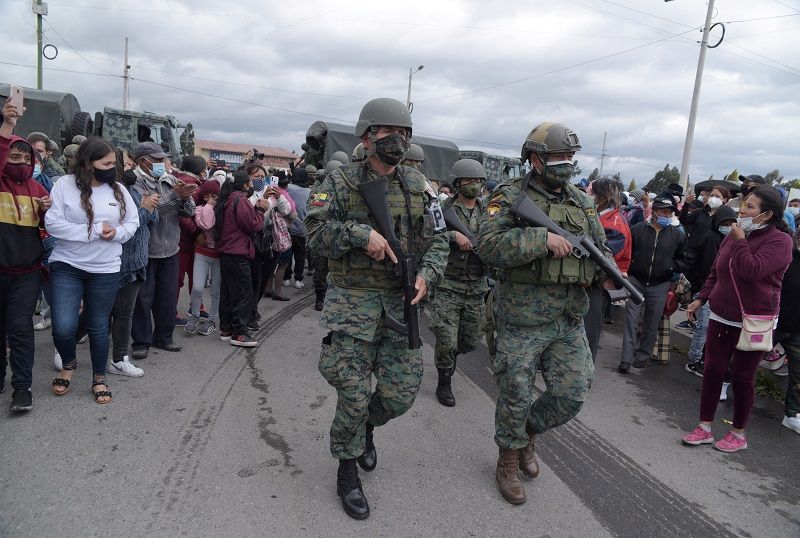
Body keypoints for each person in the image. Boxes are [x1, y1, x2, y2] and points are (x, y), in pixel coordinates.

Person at [305, 98, 448, 520]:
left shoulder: (419, 185)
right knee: (352, 391)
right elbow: (312, 234)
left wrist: (428, 275)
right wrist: (357, 234)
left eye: (404, 133)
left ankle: (366, 427)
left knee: (399, 394)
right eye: (388, 132)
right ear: (367, 136)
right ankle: (346, 470)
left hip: (401, 302)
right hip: (353, 302)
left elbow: (439, 240)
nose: (397, 140)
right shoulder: (339, 182)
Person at [477, 122, 617, 505]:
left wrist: (603, 271)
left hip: (566, 318)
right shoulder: (508, 196)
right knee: (515, 393)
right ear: (535, 160)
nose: (566, 164)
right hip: (520, 319)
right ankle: (508, 459)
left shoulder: (581, 200)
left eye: (571, 157)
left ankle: (527, 435)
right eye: (558, 157)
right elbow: (486, 245)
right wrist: (539, 239)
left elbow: (601, 247)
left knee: (573, 393)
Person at [682, 185, 793, 452]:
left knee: (743, 377)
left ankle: (738, 434)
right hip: (721, 314)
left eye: (750, 207)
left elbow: (751, 270)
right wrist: (702, 297)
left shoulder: (780, 241)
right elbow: (717, 270)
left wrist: (741, 240)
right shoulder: (733, 235)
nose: (742, 210)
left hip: (754, 319)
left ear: (766, 214)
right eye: (743, 204)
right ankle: (704, 426)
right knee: (712, 370)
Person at [46, 137, 139, 404]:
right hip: (67, 265)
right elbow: (53, 222)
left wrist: (117, 232)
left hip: (105, 269)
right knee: (63, 327)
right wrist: (95, 231)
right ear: (89, 163)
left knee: (99, 326)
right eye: (106, 163)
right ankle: (69, 363)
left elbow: (131, 224)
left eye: (114, 163)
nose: (112, 168)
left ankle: (99, 378)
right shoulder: (64, 185)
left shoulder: (118, 190)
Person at [0, 99, 51, 412]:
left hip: (26, 274)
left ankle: (22, 388)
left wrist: (46, 214)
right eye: (13, 156)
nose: (18, 161)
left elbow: (47, 232)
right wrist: (8, 125)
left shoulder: (38, 190)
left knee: (19, 330)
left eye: (24, 157)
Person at [429, 159, 489, 407]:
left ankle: (450, 358)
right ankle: (444, 381)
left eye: (478, 181)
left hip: (477, 287)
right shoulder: (441, 209)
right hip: (448, 285)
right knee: (446, 339)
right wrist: (453, 235)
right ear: (457, 183)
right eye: (469, 181)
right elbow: (427, 234)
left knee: (470, 340)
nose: (474, 185)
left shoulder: (489, 211)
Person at [130, 142, 196, 359]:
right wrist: (176, 196)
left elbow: (189, 212)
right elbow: (148, 212)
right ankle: (141, 342)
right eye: (157, 160)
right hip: (145, 251)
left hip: (170, 250)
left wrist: (185, 198)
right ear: (143, 161)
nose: (162, 163)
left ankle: (164, 337)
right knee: (142, 299)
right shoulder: (134, 183)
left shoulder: (170, 180)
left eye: (162, 159)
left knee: (167, 297)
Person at [618, 192, 689, 371]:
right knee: (631, 320)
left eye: (669, 213)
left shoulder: (677, 234)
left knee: (651, 322)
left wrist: (671, 268)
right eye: (663, 212)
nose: (666, 215)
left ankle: (643, 355)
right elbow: (627, 252)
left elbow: (685, 258)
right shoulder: (638, 230)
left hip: (660, 284)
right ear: (655, 211)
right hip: (636, 280)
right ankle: (626, 358)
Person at [216, 169, 269, 347]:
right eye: (253, 181)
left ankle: (226, 328)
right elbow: (252, 224)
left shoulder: (227, 199)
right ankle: (239, 333)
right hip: (238, 253)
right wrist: (261, 210)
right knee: (243, 294)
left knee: (228, 292)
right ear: (246, 184)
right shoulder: (240, 200)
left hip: (226, 253)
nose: (255, 184)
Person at [683, 205, 737, 377]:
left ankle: (702, 360)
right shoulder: (711, 238)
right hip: (706, 289)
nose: (728, 226)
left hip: (717, 291)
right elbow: (708, 268)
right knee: (703, 327)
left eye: (731, 223)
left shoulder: (730, 240)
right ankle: (694, 361)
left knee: (709, 329)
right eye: (725, 223)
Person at [583, 176, 632, 360]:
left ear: (602, 198)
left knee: (589, 331)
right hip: (589, 281)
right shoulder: (601, 217)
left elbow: (604, 256)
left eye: (591, 192)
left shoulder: (615, 224)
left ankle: (584, 369)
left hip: (598, 284)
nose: (587, 194)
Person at [174, 155, 208, 324]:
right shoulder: (192, 186)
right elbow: (185, 216)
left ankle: (197, 307)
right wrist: (197, 233)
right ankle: (172, 312)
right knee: (181, 278)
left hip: (183, 239)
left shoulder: (179, 180)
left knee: (190, 276)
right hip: (186, 240)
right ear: (201, 171)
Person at [184, 180, 221, 336]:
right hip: (202, 252)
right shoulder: (199, 209)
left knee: (215, 290)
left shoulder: (223, 210)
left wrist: (212, 206)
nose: (210, 199)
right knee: (197, 287)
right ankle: (194, 316)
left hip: (219, 255)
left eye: (214, 196)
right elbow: (206, 224)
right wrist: (209, 206)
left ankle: (212, 320)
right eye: (207, 196)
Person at [777, 229, 800, 434]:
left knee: (798, 373)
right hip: (773, 321)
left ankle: (792, 414)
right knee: (745, 356)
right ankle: (723, 384)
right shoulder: (787, 256)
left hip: (797, 330)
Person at [283, 165, 311, 289]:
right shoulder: (310, 192)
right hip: (302, 230)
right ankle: (298, 279)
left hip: (287, 229)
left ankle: (286, 278)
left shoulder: (288, 188)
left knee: (288, 255)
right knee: (300, 256)